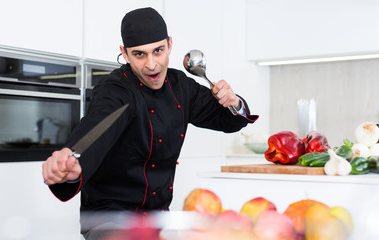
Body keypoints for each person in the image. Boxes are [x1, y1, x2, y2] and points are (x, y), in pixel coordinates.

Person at [42, 7, 258, 239]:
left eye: (158, 51)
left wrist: (233, 102)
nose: (152, 64)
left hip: (158, 220)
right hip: (110, 221)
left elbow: (227, 119)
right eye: (139, 54)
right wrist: (71, 159)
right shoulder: (116, 90)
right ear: (124, 54)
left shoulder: (181, 86)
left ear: (170, 44)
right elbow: (98, 126)